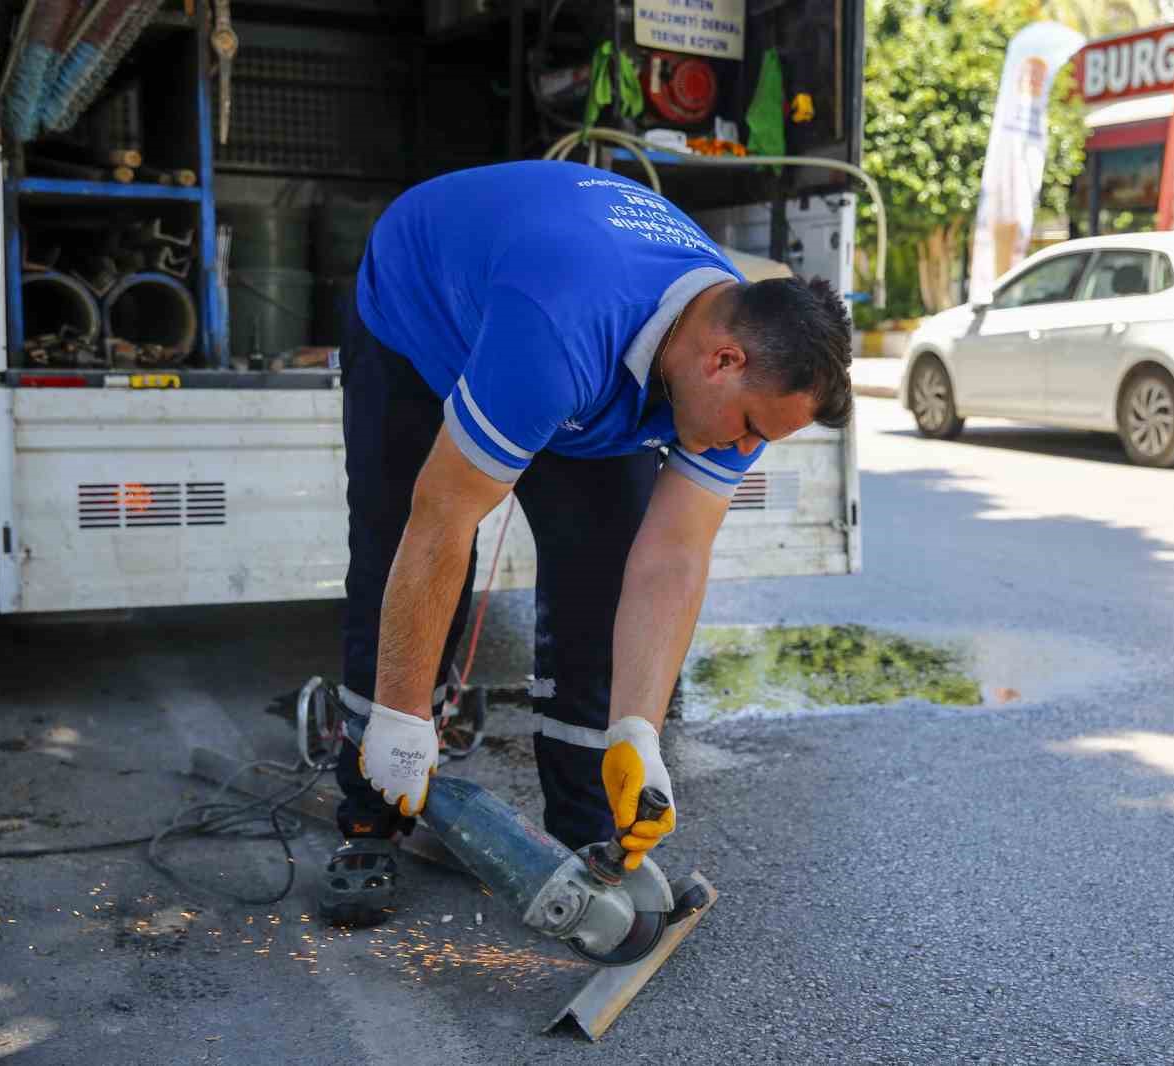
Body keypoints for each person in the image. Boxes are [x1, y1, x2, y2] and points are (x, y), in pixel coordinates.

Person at [320, 160, 854, 926]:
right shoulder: (558, 329)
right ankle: (372, 814)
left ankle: (588, 834)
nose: (745, 447)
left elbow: (672, 557)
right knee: (394, 547)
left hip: (582, 347)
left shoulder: (733, 371)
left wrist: (640, 733)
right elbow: (441, 520)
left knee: (602, 581)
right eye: (749, 430)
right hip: (422, 316)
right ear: (723, 360)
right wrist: (402, 718)